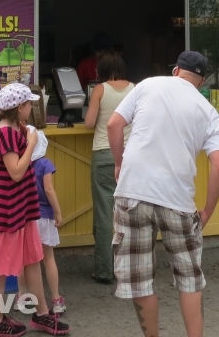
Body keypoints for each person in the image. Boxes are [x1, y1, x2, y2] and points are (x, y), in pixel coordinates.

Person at [106, 51, 219, 337]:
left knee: (140, 279)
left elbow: (113, 124)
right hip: (178, 200)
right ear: (201, 80)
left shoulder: (148, 85)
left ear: (176, 71)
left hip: (133, 192)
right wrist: (207, 210)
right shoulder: (208, 111)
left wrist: (119, 162)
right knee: (189, 278)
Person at [0, 83, 70, 336]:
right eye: (29, 104)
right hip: (6, 211)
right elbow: (16, 172)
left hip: (22, 208)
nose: (31, 108)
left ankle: (41, 313)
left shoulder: (14, 129)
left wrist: (27, 136)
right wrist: (31, 142)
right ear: (20, 107)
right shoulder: (6, 133)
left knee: (32, 258)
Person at [83, 50, 134, 284]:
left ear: (102, 69)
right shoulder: (135, 89)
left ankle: (104, 270)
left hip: (104, 154)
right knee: (132, 214)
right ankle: (132, 268)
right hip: (131, 157)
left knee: (105, 214)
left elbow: (89, 123)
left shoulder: (100, 90)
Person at [19, 126, 66, 314]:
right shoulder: (45, 164)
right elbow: (48, 189)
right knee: (48, 258)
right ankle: (55, 299)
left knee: (23, 260)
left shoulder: (21, 164)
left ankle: (22, 297)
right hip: (44, 217)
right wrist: (58, 212)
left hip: (25, 217)